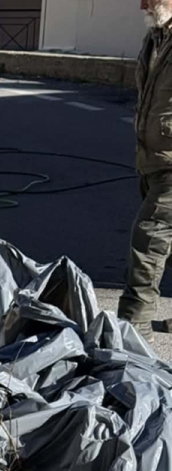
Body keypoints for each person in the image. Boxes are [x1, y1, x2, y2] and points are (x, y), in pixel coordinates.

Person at [118, 0, 172, 343]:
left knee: (150, 236)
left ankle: (131, 327)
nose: (143, 4)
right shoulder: (155, 38)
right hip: (152, 158)